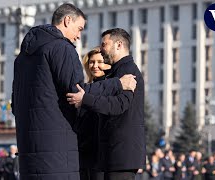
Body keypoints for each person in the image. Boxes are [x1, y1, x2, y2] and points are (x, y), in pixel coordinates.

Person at [11, 3, 137, 180]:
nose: (78, 36)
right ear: (67, 20)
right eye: (79, 28)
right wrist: (117, 84)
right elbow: (77, 91)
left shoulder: (23, 57)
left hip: (28, 152)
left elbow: (15, 105)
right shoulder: (61, 47)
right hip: (57, 152)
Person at [67, 28, 145, 180]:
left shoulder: (128, 72)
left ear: (119, 45)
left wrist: (85, 99)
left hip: (122, 155)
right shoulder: (117, 72)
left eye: (104, 45)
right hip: (113, 153)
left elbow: (118, 105)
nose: (101, 49)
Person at [76, 47, 111, 180]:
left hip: (102, 155)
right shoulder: (84, 89)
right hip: (84, 154)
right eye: (91, 62)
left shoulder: (111, 88)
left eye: (99, 62)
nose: (95, 66)